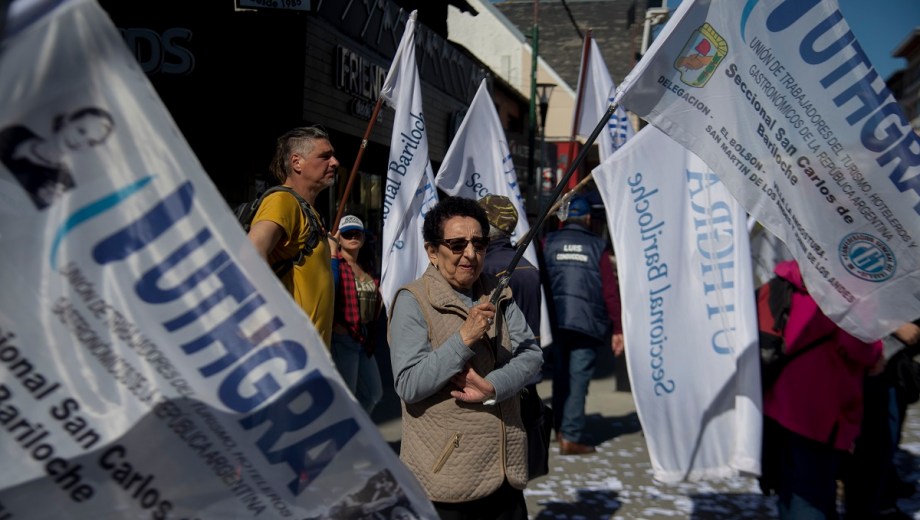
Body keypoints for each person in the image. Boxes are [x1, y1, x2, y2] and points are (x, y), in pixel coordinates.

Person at [388, 196, 543, 519]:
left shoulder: (498, 291)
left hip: (506, 468)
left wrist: (493, 386)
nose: (470, 254)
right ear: (432, 251)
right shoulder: (413, 301)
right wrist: (464, 339)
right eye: (457, 244)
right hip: (449, 477)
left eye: (479, 243)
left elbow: (531, 355)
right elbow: (409, 384)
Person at [761, 259, 882, 519]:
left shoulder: (794, 272)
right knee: (811, 496)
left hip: (781, 401)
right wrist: (878, 352)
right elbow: (860, 346)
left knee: (790, 489)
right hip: (821, 413)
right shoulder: (851, 287)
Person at [542, 195, 622, 455]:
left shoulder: (549, 242)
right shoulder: (597, 246)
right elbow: (609, 292)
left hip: (556, 322)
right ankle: (571, 435)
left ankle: (559, 428)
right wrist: (618, 328)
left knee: (560, 376)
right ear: (588, 219)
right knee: (578, 379)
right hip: (587, 324)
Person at [248, 125, 338, 346]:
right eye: (325, 156)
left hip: (313, 358)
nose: (334, 162)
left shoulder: (310, 212)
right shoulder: (282, 201)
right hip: (290, 356)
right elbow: (249, 255)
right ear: (297, 162)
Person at [0, 107, 115, 210]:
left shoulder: (63, 187)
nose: (80, 142)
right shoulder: (15, 132)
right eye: (81, 131)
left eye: (91, 142)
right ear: (67, 121)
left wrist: (43, 201)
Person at [329, 214, 383, 414]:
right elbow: (330, 289)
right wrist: (332, 253)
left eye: (357, 234)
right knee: (347, 399)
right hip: (344, 338)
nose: (353, 237)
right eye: (347, 234)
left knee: (373, 393)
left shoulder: (367, 266)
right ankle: (347, 440)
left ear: (363, 238)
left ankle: (354, 434)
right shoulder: (334, 264)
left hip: (364, 338)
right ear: (339, 239)